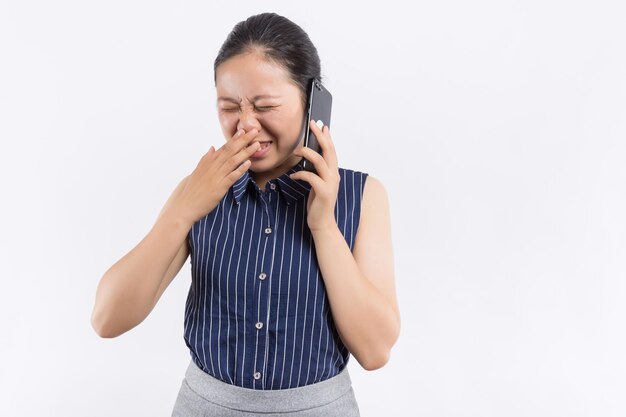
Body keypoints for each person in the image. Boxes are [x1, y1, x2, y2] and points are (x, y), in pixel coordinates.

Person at [91, 12, 400, 416]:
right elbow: (107, 318)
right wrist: (182, 212)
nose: (246, 126)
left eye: (265, 106)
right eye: (229, 107)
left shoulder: (362, 195)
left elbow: (375, 351)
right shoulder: (198, 191)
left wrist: (324, 226)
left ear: (312, 103)